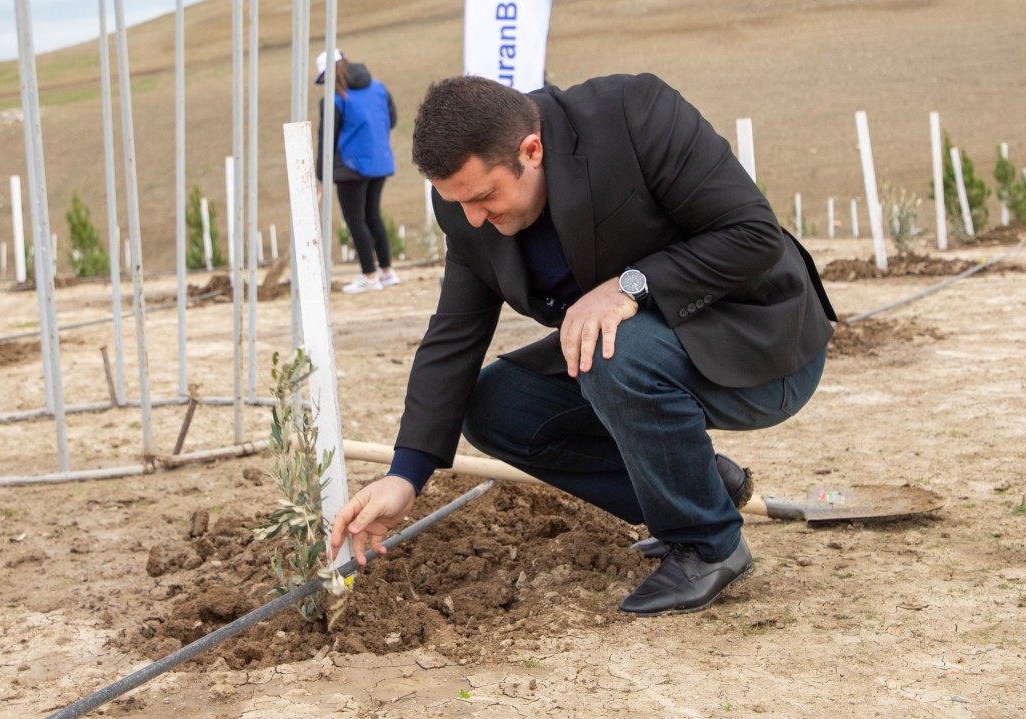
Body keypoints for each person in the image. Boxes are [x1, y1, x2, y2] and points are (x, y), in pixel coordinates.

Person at [329, 73, 836, 617]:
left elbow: (750, 234)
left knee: (613, 351)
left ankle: (708, 543)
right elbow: (454, 334)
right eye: (458, 202)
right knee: (492, 407)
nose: (474, 218)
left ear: (532, 150)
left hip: (761, 343)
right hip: (644, 354)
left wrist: (629, 286)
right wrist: (406, 475)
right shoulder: (464, 207)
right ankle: (704, 485)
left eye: (483, 197)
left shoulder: (634, 115)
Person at [314, 48, 400, 294]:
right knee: (373, 216)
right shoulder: (379, 88)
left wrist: (322, 175)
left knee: (356, 221)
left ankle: (369, 276)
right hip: (379, 162)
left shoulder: (334, 99)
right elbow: (391, 120)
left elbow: (326, 139)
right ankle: (387, 272)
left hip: (351, 166)